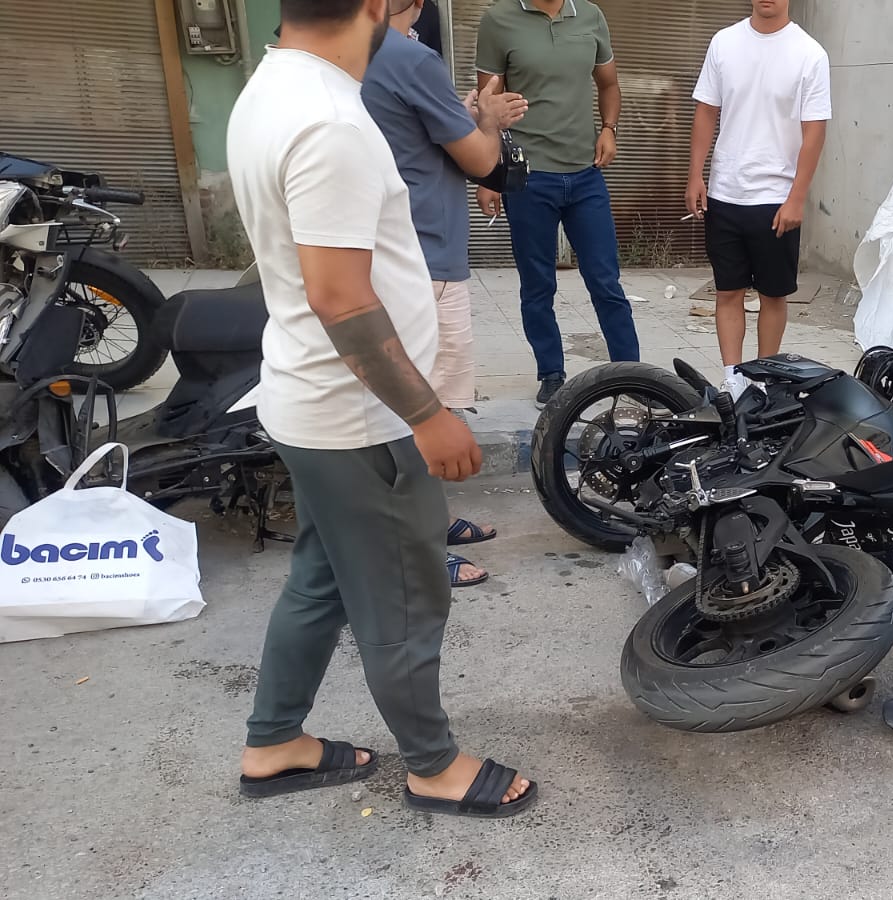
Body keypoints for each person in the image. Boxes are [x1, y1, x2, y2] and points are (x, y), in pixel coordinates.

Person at [228, 0, 534, 819]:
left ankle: (273, 741)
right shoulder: (330, 120)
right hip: (359, 417)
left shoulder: (272, 86)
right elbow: (341, 298)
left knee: (322, 579)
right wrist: (428, 414)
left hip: (310, 401)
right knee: (404, 596)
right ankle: (434, 766)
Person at [361, 0, 528, 589]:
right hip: (424, 256)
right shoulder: (409, 57)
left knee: (413, 402)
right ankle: (418, 548)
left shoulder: (359, 53)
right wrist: (489, 120)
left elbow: (414, 132)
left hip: (400, 250)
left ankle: (430, 519)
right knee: (419, 408)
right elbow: (480, 159)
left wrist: (467, 113)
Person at [473, 0, 640, 407]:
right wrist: (489, 175)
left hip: (586, 174)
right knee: (537, 285)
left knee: (606, 281)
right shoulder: (499, 20)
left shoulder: (590, 15)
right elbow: (488, 105)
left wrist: (609, 128)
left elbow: (609, 84)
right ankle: (551, 373)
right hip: (528, 178)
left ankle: (631, 374)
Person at [685, 0, 829, 397]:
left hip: (776, 198)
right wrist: (696, 175)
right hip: (725, 192)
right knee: (728, 291)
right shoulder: (724, 42)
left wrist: (797, 197)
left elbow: (815, 131)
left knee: (773, 295)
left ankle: (765, 381)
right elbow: (706, 112)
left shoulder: (810, 54)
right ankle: (733, 380)